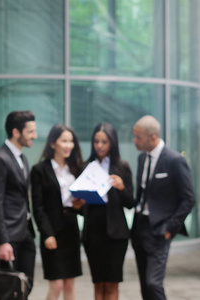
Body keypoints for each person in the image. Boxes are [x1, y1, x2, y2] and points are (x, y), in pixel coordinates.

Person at [131, 115, 196, 300]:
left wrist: (170, 227)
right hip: (139, 227)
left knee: (153, 283)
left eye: (138, 137)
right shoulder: (142, 158)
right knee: (145, 283)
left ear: (153, 137)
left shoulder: (175, 160)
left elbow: (189, 199)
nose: (134, 141)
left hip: (160, 229)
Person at [78, 122, 134, 300]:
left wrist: (121, 187)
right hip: (93, 232)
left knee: (112, 282)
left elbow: (131, 203)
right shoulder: (85, 167)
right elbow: (80, 208)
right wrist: (78, 202)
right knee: (98, 282)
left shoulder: (122, 166)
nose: (100, 146)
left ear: (112, 143)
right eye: (96, 141)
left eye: (104, 141)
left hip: (116, 234)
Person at [0, 111, 37, 292]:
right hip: (7, 234)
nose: (34, 136)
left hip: (24, 231)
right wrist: (2, 241)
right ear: (16, 132)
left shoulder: (21, 158)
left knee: (25, 285)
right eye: (30, 132)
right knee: (8, 289)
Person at [30, 124, 84, 300]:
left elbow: (83, 204)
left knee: (70, 283)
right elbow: (37, 207)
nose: (69, 145)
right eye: (64, 141)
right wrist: (46, 234)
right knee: (57, 284)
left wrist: (79, 206)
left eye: (71, 141)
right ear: (53, 144)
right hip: (52, 231)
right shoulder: (39, 170)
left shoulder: (76, 169)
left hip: (71, 229)